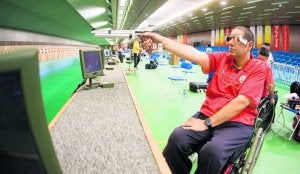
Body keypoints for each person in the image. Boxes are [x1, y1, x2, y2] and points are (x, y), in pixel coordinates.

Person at [142, 26, 266, 174]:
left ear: (249, 45)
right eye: (229, 38)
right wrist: (160, 39)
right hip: (207, 115)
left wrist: (207, 123)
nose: (230, 42)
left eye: (237, 39)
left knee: (212, 151)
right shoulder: (221, 59)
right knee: (176, 138)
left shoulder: (258, 68)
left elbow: (241, 102)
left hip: (236, 124)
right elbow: (193, 54)